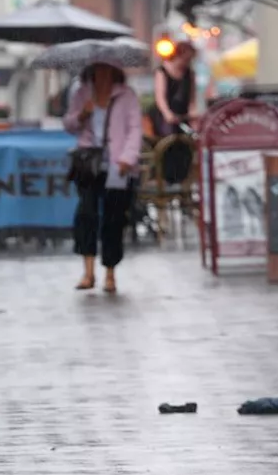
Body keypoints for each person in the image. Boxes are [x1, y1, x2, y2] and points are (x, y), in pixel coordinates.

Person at [63, 62, 143, 293]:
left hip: (118, 166)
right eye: (97, 69)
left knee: (113, 219)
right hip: (89, 163)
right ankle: (88, 272)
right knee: (86, 213)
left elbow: (134, 129)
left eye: (106, 70)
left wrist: (128, 157)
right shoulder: (81, 93)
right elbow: (68, 125)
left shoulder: (126, 96)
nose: (102, 75)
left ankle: (110, 272)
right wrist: (82, 114)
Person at [151, 41, 197, 137]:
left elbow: (191, 96)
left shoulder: (189, 73)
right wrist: (167, 113)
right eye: (185, 59)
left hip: (182, 113)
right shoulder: (162, 71)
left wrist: (192, 111)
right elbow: (160, 96)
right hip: (166, 114)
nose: (187, 63)